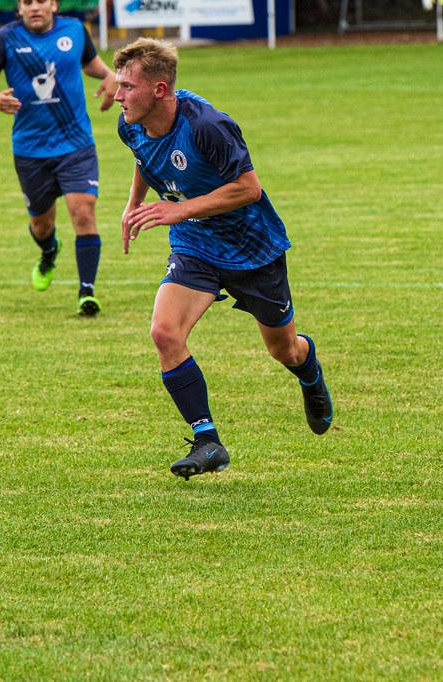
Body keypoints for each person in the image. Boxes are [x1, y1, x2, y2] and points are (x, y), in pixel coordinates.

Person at [112, 38, 334, 480]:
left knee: (283, 349)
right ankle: (207, 440)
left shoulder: (208, 125)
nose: (117, 96)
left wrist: (179, 209)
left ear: (159, 90)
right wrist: (133, 203)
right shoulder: (131, 123)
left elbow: (249, 189)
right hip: (194, 244)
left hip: (251, 248)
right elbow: (144, 155)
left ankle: (308, 371)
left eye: (127, 87)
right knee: (164, 332)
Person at [0, 0, 117, 316]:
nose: (34, 7)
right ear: (20, 7)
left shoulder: (75, 30)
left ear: (53, 4)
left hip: (76, 144)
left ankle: (86, 292)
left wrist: (109, 75)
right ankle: (49, 250)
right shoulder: (5, 38)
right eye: (27, 2)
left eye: (41, 0)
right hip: (30, 149)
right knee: (41, 225)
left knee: (83, 212)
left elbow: (90, 63)